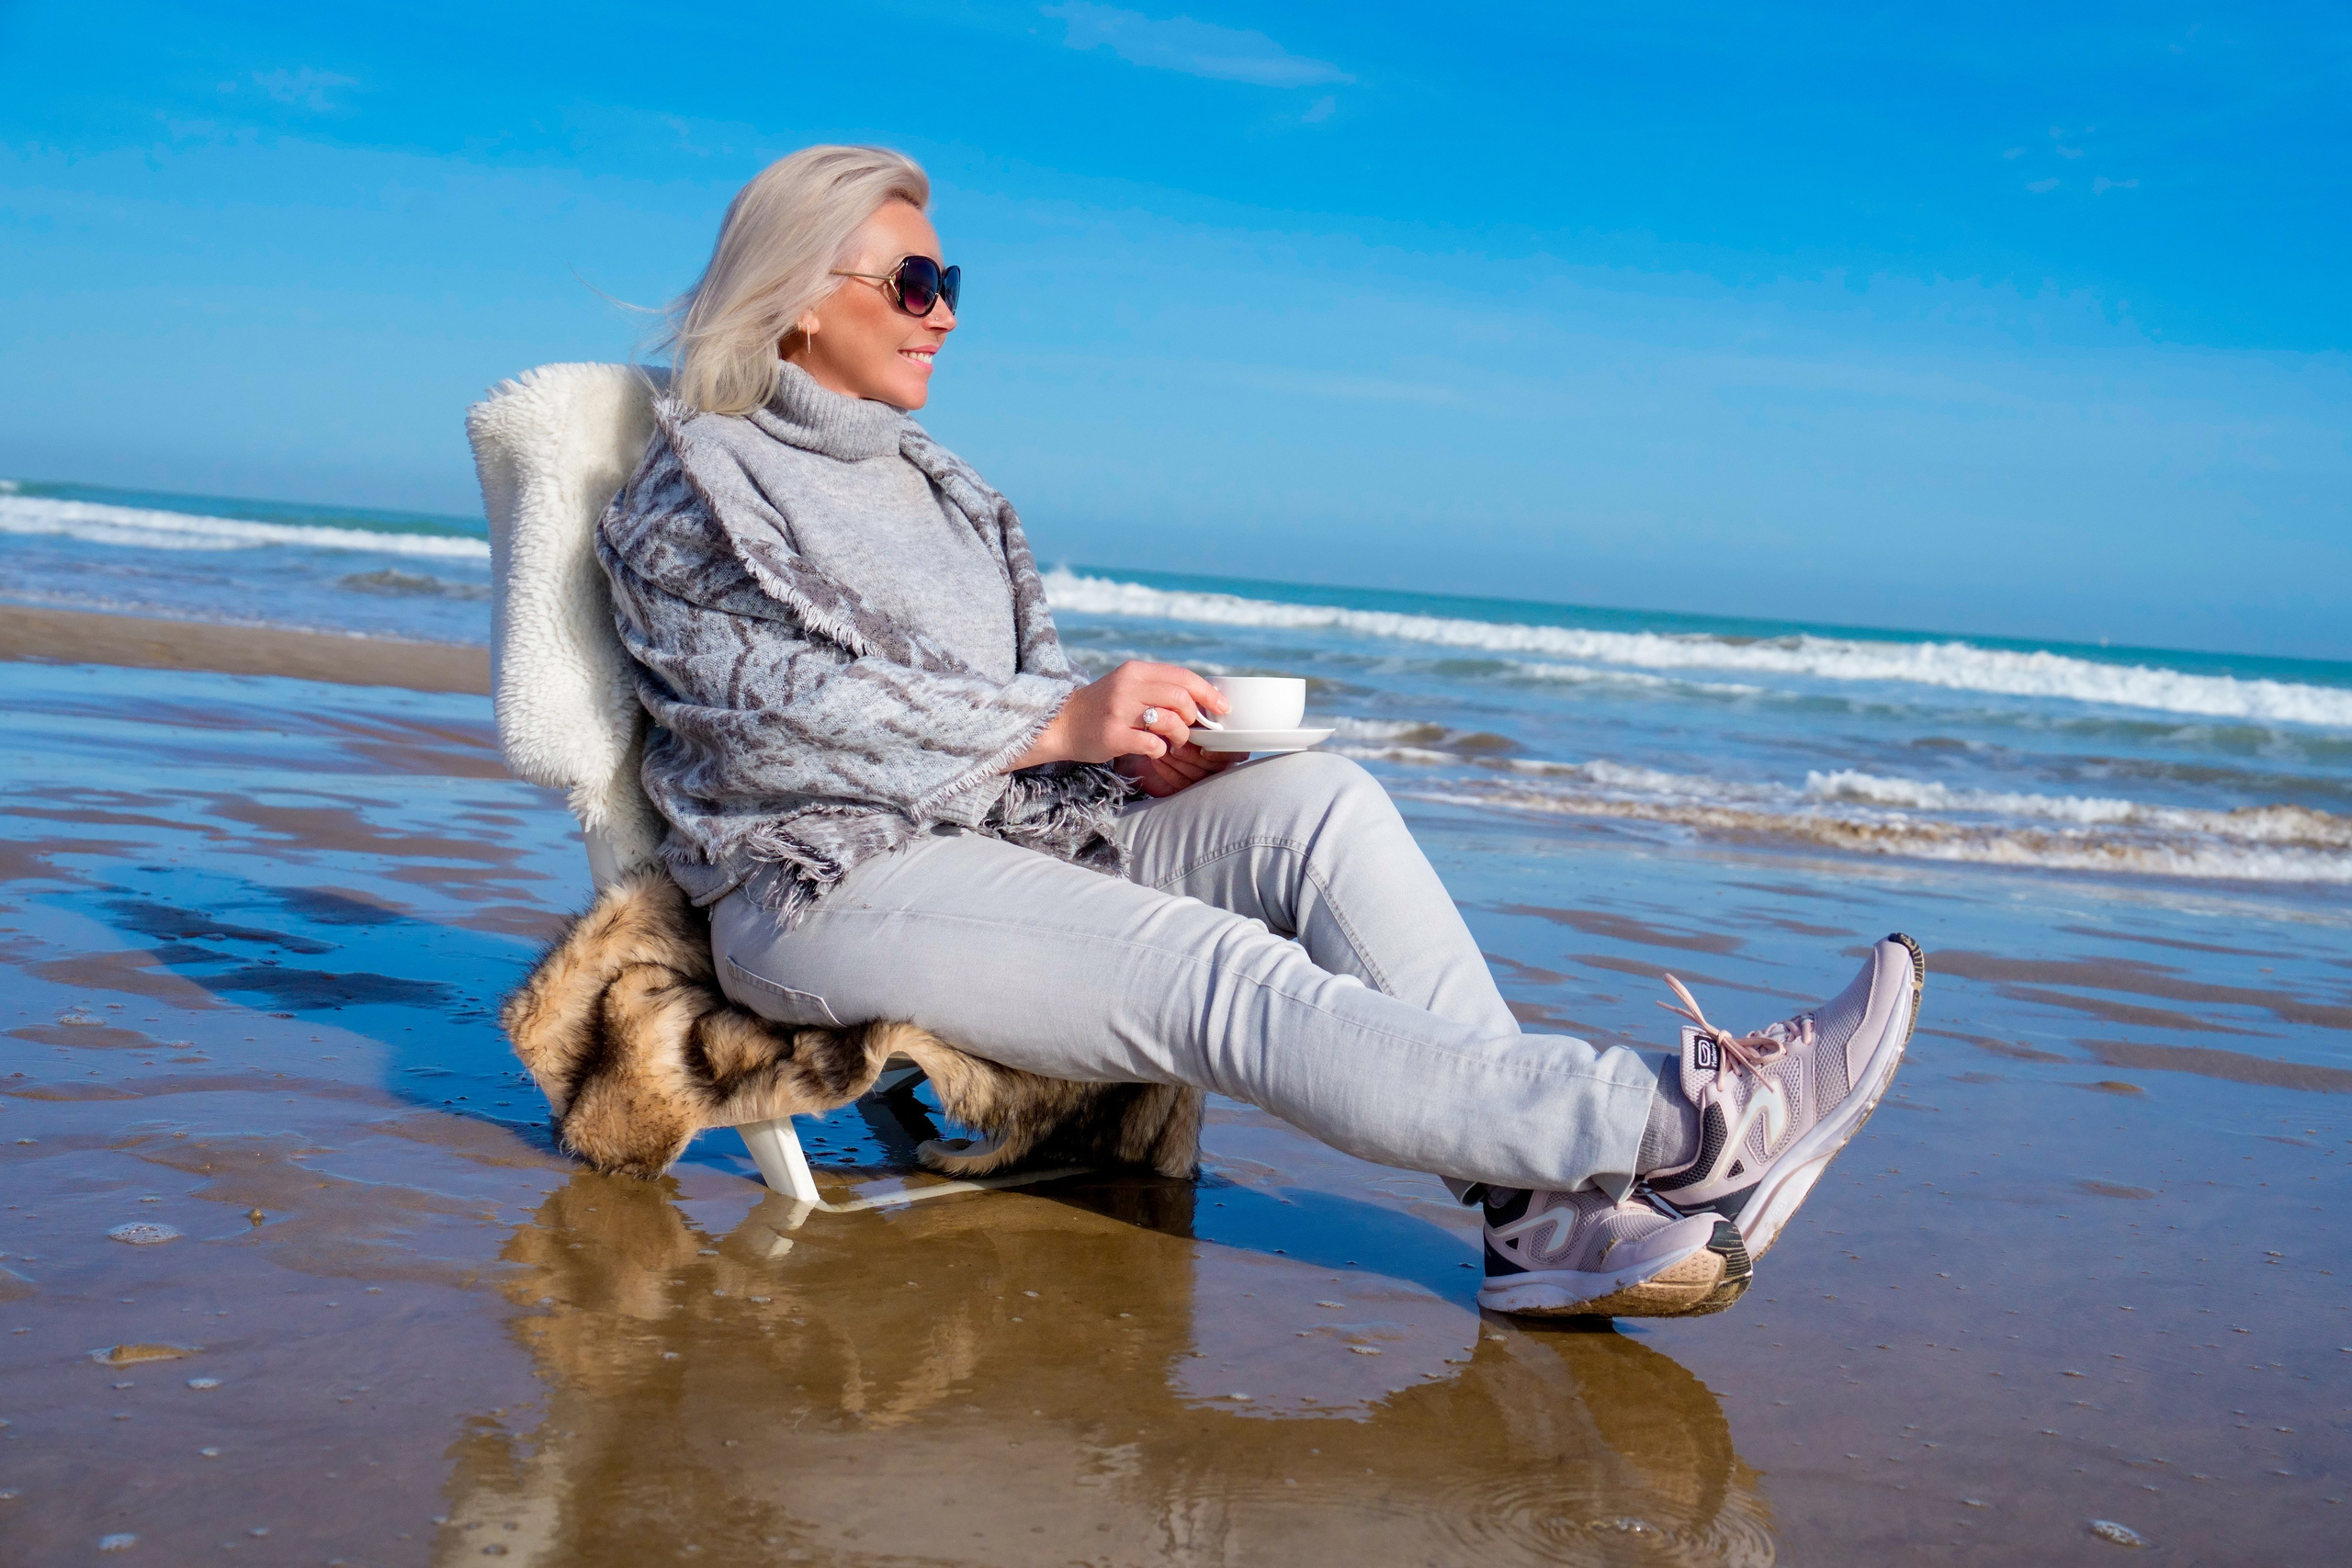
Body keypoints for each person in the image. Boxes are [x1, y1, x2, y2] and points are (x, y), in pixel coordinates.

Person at [597, 145, 1925, 1317]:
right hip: (823, 888)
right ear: (792, 294)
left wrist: (1109, 755)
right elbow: (770, 722)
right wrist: (1053, 716)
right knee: (1221, 972)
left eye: (953, 284)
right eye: (911, 285)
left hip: (991, 848)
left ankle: (1538, 1225)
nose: (943, 315)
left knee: (1318, 806)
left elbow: (1015, 740)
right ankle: (1680, 1125)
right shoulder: (697, 482)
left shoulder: (947, 490)